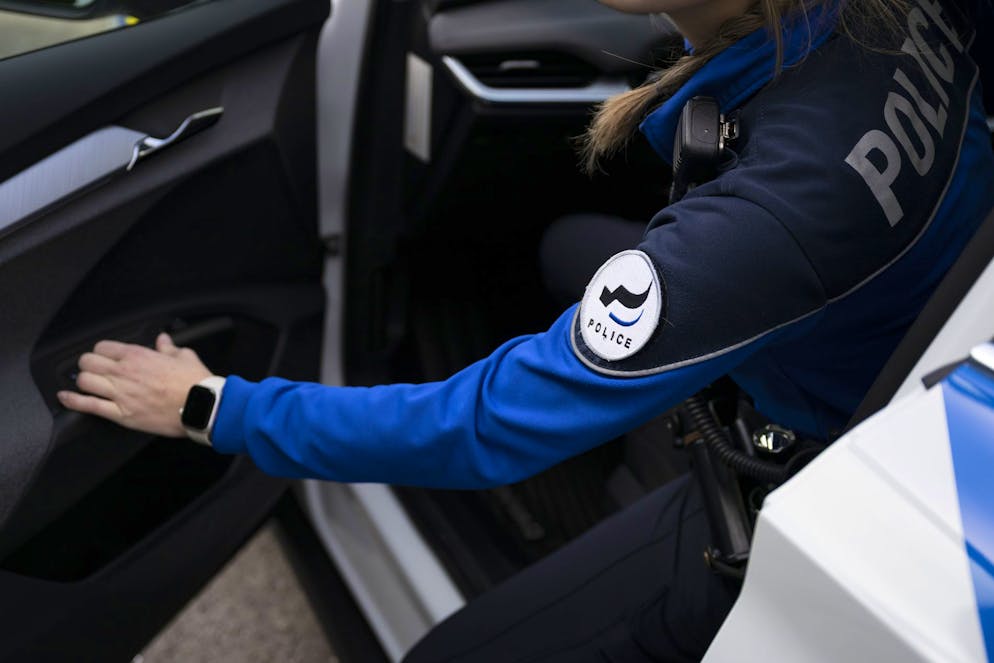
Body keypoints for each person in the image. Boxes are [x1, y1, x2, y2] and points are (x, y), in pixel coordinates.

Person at [58, 0, 994, 658]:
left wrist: (211, 404)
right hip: (899, 331)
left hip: (788, 479)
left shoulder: (772, 216)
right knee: (563, 245)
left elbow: (481, 427)